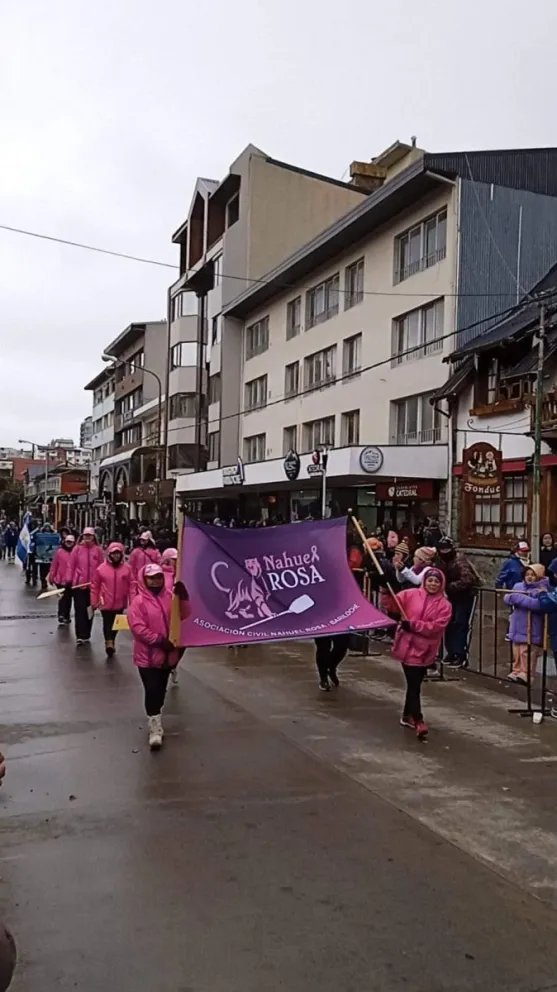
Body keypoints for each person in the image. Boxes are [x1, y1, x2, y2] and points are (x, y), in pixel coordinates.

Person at [127, 564, 189, 749]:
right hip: (147, 656)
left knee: (160, 690)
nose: (156, 581)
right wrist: (159, 641)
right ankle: (155, 726)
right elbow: (137, 628)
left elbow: (184, 615)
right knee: (152, 689)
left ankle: (156, 713)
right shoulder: (138, 602)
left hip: (168, 655)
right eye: (152, 577)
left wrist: (184, 598)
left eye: (159, 577)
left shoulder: (171, 597)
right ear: (145, 579)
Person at [392, 568, 452, 739]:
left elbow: (437, 627)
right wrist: (384, 586)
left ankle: (407, 715)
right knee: (413, 684)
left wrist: (414, 625)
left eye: (436, 581)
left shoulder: (445, 605)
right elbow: (392, 603)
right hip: (405, 645)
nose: (432, 584)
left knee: (414, 684)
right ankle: (418, 719)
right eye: (430, 581)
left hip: (424, 649)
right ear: (424, 581)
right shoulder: (410, 594)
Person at [436, 536, 480, 668]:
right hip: (449, 597)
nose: (444, 551)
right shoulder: (440, 561)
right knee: (448, 624)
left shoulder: (460, 561)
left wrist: (448, 587)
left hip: (463, 596)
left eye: (447, 549)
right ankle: (451, 652)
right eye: (442, 549)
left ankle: (461, 654)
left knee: (460, 624)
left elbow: (468, 580)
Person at [504, 563, 548, 685]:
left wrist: (519, 599)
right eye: (527, 574)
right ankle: (516, 670)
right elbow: (508, 597)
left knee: (527, 651)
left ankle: (527, 673)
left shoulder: (542, 589)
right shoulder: (518, 586)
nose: (529, 577)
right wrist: (511, 598)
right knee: (517, 650)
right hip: (517, 623)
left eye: (533, 575)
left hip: (531, 625)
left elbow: (538, 605)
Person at [90, 542, 131, 658]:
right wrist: (94, 601)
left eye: (118, 553)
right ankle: (109, 641)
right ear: (109, 554)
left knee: (116, 624)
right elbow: (95, 586)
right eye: (113, 553)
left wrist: (132, 602)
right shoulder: (101, 569)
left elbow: (132, 585)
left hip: (120, 602)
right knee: (107, 622)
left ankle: (112, 639)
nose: (116, 556)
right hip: (105, 601)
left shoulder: (127, 569)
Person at [67, 527, 104, 645]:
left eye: (90, 535)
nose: (87, 537)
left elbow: (102, 568)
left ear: (94, 536)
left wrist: (102, 583)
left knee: (90, 610)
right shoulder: (77, 549)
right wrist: (69, 580)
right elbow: (71, 566)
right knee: (79, 610)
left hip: (93, 586)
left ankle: (86, 633)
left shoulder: (98, 550)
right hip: (79, 585)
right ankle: (80, 635)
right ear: (82, 536)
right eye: (85, 535)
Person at [161, 547, 185, 685]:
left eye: (177, 560)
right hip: (165, 617)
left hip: (180, 615)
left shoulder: (183, 575)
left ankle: (173, 665)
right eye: (173, 560)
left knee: (181, 644)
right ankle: (166, 667)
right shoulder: (160, 576)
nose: (175, 562)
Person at [48, 533, 76, 625]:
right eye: (67, 541)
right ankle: (61, 615)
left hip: (72, 580)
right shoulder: (59, 552)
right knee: (63, 597)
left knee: (68, 598)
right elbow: (54, 565)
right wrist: (52, 577)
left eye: (71, 542)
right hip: (60, 580)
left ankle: (66, 616)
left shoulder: (76, 552)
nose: (69, 543)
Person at [128, 530, 161, 598]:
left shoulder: (136, 552)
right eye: (141, 540)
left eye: (144, 540)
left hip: (146, 578)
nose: (142, 542)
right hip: (143, 579)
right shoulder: (155, 552)